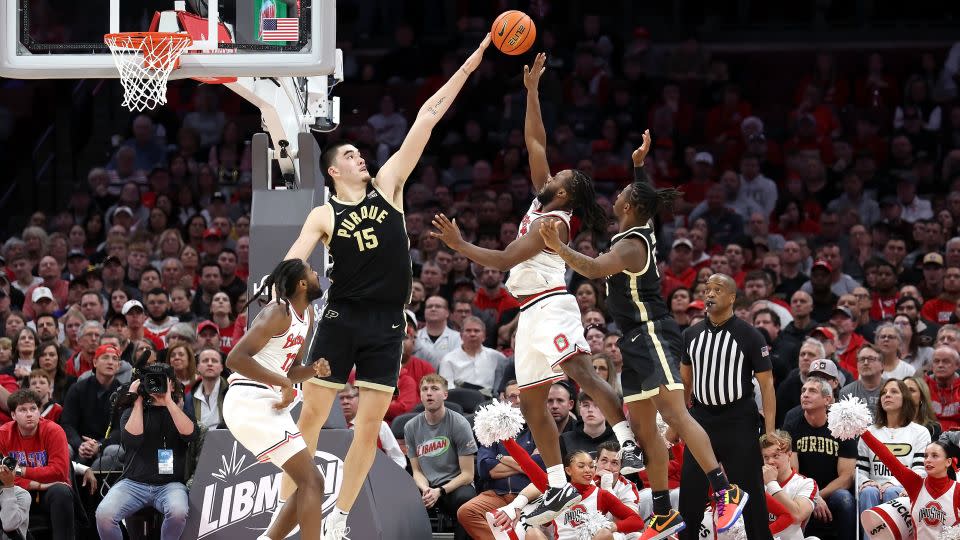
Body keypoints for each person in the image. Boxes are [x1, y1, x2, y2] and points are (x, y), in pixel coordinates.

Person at [279, 34, 492, 540]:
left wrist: (474, 59)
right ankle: (285, 515)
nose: (361, 158)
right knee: (309, 420)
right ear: (333, 170)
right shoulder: (326, 211)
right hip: (342, 315)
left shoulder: (390, 186)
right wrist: (288, 285)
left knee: (368, 429)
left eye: (360, 153)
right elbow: (294, 258)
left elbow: (427, 117)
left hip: (387, 322)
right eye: (351, 155)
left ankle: (338, 519)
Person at [432, 52, 644, 525]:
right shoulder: (541, 198)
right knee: (530, 400)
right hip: (529, 312)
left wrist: (459, 243)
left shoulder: (553, 221)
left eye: (563, 177)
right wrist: (531, 91)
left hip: (551, 305)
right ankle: (555, 482)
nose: (556, 173)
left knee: (583, 374)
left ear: (567, 194)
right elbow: (534, 140)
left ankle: (629, 445)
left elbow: (506, 259)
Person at [539, 130, 759, 540]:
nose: (619, 192)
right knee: (643, 429)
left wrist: (557, 246)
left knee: (675, 413)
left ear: (630, 206)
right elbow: (644, 195)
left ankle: (725, 491)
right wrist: (640, 163)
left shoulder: (632, 244)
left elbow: (593, 269)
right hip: (634, 340)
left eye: (624, 190)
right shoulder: (636, 227)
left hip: (653, 331)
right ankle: (662, 511)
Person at [224, 259, 329, 540]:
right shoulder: (278, 312)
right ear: (303, 283)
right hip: (248, 399)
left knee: (313, 482)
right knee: (310, 481)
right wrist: (282, 381)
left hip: (267, 402)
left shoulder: (306, 316)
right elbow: (234, 359)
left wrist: (312, 370)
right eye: (312, 272)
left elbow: (289, 371)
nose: (318, 273)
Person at [94, 364, 194, 540]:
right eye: (151, 381)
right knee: (104, 515)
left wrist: (168, 402)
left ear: (171, 384)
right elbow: (133, 440)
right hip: (133, 483)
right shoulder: (131, 412)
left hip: (170, 484)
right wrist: (138, 400)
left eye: (162, 381)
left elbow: (190, 434)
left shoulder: (179, 411)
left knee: (178, 512)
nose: (156, 385)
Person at [404, 374, 477, 540]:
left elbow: (468, 474)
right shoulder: (411, 427)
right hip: (427, 485)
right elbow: (416, 470)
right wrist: (426, 490)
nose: (429, 393)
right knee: (404, 500)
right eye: (425, 389)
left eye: (434, 389)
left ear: (445, 395)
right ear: (420, 395)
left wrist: (440, 491)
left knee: (466, 501)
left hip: (455, 484)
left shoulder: (459, 423)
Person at [857, 423, 959, 540]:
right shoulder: (915, 484)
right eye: (926, 456)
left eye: (935, 456)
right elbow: (887, 457)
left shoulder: (957, 490)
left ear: (948, 462)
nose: (928, 460)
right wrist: (864, 433)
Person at [782, 378, 856, 540]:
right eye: (803, 391)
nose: (805, 395)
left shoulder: (842, 428)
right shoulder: (792, 427)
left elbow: (846, 478)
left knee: (845, 499)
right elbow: (793, 472)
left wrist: (818, 496)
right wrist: (811, 497)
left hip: (831, 494)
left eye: (812, 391)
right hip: (801, 493)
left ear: (827, 399)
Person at [855, 379, 930, 527]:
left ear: (906, 398)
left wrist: (892, 483)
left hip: (903, 489)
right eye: (884, 392)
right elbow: (859, 470)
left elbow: (920, 471)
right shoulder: (869, 432)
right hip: (873, 488)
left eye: (894, 391)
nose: (887, 395)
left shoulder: (920, 432)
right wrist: (865, 482)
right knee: (868, 492)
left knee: (892, 492)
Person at [0, 389, 73, 540]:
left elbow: (59, 472)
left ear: (39, 411)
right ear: (13, 415)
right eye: (22, 409)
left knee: (61, 491)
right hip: (16, 490)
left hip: (49, 492)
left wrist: (20, 471)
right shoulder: (3, 434)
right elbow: (2, 475)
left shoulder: (54, 431)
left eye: (33, 408)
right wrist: (37, 485)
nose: (29, 414)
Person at [59, 344, 125, 469]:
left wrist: (99, 445)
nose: (110, 362)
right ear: (95, 362)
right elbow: (67, 424)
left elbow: (121, 429)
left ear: (119, 366)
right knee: (64, 449)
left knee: (115, 451)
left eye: (114, 359)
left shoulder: (123, 393)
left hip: (107, 445)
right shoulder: (77, 389)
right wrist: (80, 445)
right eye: (105, 357)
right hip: (79, 444)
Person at [759, 431, 817, 540]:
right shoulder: (756, 483)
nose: (770, 461)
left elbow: (797, 515)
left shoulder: (806, 483)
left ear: (789, 454)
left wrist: (771, 483)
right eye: (766, 457)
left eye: (776, 456)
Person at [338, 383, 405, 468]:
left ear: (360, 399)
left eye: (350, 397)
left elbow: (398, 459)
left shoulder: (379, 426)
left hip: (377, 477)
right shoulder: (328, 430)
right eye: (341, 398)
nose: (345, 402)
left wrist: (388, 477)